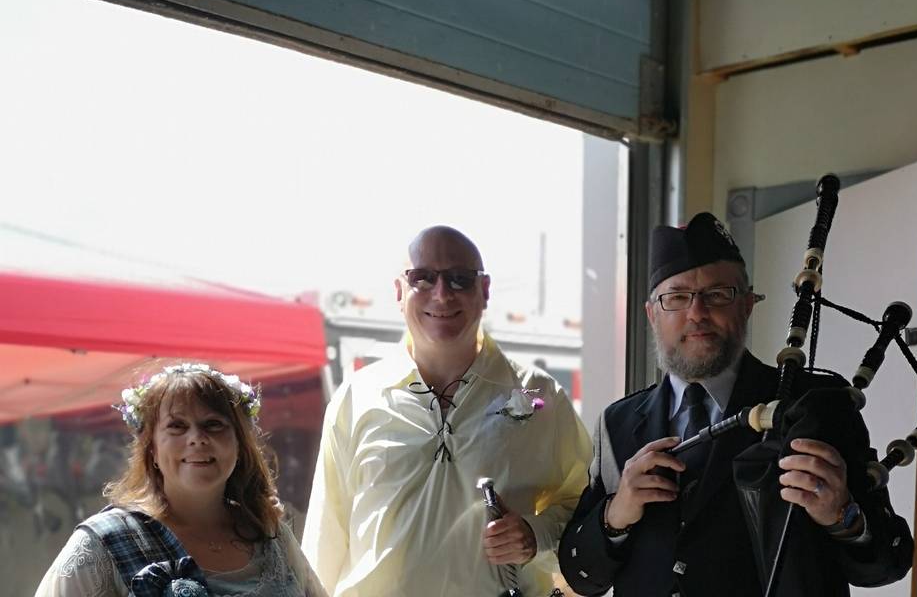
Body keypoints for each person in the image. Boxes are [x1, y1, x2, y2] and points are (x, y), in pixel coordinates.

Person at [558, 213, 913, 597]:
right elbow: (581, 576)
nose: (696, 313)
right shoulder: (617, 422)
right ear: (652, 315)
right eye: (676, 298)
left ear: (747, 305)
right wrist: (616, 514)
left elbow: (889, 561)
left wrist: (842, 515)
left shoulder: (816, 405)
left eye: (717, 294)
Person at [301, 225, 592, 596]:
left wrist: (535, 535)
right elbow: (325, 539)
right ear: (399, 291)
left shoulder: (538, 395)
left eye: (459, 279)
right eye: (422, 278)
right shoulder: (357, 398)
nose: (441, 295)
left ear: (484, 292)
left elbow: (586, 508)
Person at [35, 362, 326, 597]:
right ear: (152, 447)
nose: (197, 439)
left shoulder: (268, 532)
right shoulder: (104, 544)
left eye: (214, 424)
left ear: (239, 443)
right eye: (177, 426)